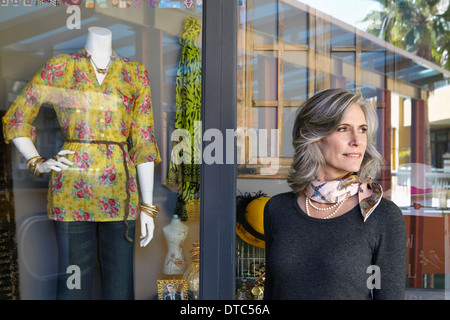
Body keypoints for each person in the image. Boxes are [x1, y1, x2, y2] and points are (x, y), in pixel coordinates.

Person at [2, 27, 160, 299]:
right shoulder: (60, 67)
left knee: (120, 286)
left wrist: (147, 205)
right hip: (71, 189)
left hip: (120, 193)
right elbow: (17, 117)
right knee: (72, 284)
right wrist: (37, 162)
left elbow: (144, 139)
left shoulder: (134, 73)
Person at [263, 88, 407, 300]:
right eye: (343, 129)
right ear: (315, 137)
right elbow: (271, 292)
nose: (357, 140)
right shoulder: (277, 209)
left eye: (362, 129)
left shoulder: (383, 215)